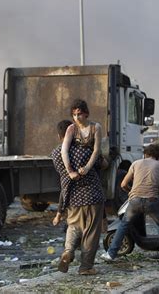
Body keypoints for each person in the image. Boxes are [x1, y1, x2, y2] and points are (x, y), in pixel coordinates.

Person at [100, 144, 159, 264]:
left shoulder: (136, 163)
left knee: (124, 225)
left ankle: (110, 254)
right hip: (152, 201)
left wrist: (131, 192)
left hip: (135, 201)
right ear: (158, 155)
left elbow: (123, 184)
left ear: (145, 154)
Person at [52, 116, 105, 275]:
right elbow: (101, 165)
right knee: (90, 232)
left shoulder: (56, 154)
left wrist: (60, 209)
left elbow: (64, 178)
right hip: (92, 195)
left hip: (72, 196)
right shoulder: (86, 149)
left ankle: (68, 251)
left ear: (59, 136)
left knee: (73, 226)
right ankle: (86, 267)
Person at [61, 99, 101, 181]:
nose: (76, 117)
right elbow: (64, 150)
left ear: (86, 113)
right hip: (75, 165)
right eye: (74, 115)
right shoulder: (71, 128)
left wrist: (87, 168)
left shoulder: (95, 127)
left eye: (79, 114)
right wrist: (70, 171)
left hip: (91, 163)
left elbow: (96, 150)